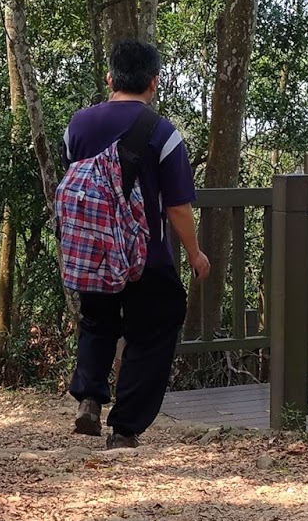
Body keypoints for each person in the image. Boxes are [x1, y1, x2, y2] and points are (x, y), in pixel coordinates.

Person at [63, 39, 209, 450]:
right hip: (146, 255)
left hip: (94, 251)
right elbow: (177, 207)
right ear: (153, 82)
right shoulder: (163, 133)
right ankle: (124, 430)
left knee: (97, 320)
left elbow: (74, 181)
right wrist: (194, 252)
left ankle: (90, 398)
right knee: (154, 328)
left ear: (110, 78)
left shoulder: (78, 126)